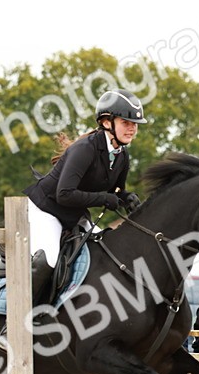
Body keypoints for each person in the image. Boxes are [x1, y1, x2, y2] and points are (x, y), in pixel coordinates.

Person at [23, 88, 148, 301]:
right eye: (126, 123)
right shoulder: (85, 149)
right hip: (46, 208)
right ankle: (21, 313)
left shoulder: (122, 155)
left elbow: (114, 191)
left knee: (106, 252)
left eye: (134, 124)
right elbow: (64, 194)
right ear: (107, 122)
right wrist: (105, 199)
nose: (132, 129)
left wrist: (126, 197)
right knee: (49, 260)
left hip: (74, 213)